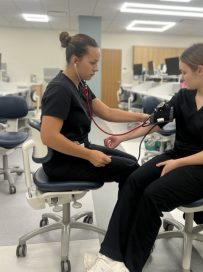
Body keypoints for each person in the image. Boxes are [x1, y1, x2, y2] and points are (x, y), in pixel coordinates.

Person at [74, 43, 203, 272]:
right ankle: (110, 254)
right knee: (134, 180)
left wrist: (177, 163)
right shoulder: (184, 96)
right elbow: (156, 122)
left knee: (153, 195)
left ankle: (128, 265)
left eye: (184, 72)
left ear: (200, 70)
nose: (181, 77)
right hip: (179, 156)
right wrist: (122, 138)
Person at [41, 32, 149, 187]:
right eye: (92, 63)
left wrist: (142, 117)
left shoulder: (80, 85)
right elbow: (48, 136)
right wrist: (89, 155)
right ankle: (127, 212)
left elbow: (107, 112)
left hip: (79, 150)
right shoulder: (59, 89)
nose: (96, 69)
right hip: (62, 161)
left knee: (131, 161)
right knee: (130, 169)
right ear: (75, 60)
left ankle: (128, 211)